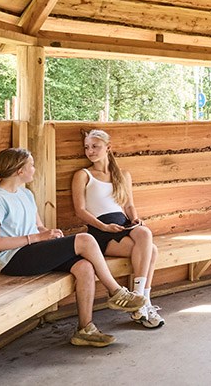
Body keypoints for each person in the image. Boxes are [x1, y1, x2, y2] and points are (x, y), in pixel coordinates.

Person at [0, 148, 148, 347]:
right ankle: (116, 292)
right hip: (13, 259)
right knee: (85, 239)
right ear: (19, 171)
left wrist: (49, 234)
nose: (34, 169)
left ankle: (85, 329)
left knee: (84, 267)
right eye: (31, 166)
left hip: (32, 250)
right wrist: (36, 237)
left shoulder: (25, 194)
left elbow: (39, 227)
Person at [72, 129, 163, 328]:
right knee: (152, 251)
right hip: (100, 230)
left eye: (95, 146)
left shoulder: (122, 175)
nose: (90, 151)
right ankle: (143, 303)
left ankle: (139, 300)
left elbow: (129, 206)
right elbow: (79, 210)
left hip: (122, 224)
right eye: (87, 147)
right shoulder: (83, 175)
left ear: (108, 148)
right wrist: (104, 226)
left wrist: (135, 219)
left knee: (145, 232)